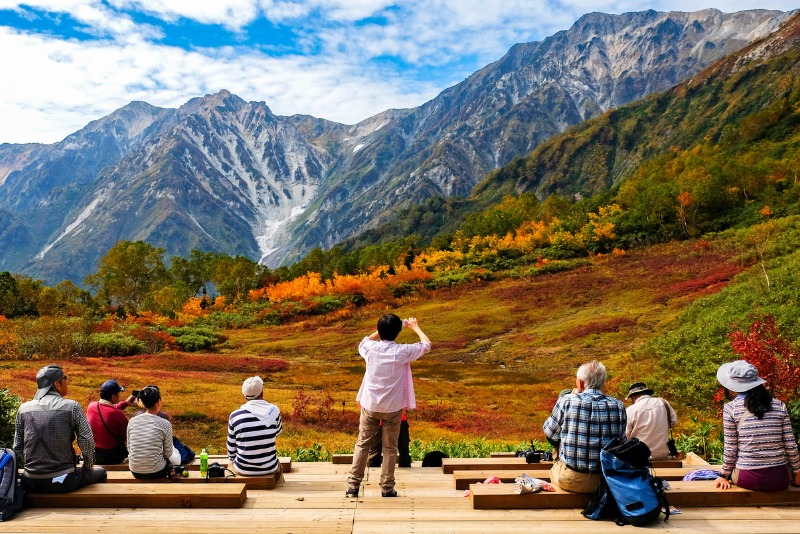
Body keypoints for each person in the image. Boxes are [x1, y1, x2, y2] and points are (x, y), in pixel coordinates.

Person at [346, 315, 431, 498]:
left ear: (380, 330)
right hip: (393, 408)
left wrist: (382, 329)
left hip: (370, 405)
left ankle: (353, 485)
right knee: (390, 448)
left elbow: (364, 341)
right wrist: (415, 327)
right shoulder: (402, 352)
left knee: (362, 444)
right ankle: (386, 488)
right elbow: (426, 345)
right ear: (397, 332)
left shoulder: (370, 349)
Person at [13, 364, 107, 493]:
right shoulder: (72, 406)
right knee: (101, 472)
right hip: (63, 480)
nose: (67, 382)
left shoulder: (23, 409)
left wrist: (35, 465)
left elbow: (18, 445)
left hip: (30, 481)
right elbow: (87, 440)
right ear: (57, 384)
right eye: (65, 378)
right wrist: (88, 466)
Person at [714, 361, 800, 492]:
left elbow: (731, 448)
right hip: (780, 479)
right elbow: (790, 444)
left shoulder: (731, 408)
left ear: (732, 385)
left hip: (748, 478)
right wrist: (797, 473)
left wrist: (724, 475)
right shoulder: (779, 405)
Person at [543, 360, 626, 493]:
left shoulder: (566, 401)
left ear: (581, 382)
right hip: (607, 480)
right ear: (603, 382)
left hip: (571, 481)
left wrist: (572, 396)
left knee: (556, 445)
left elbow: (549, 433)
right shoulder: (618, 405)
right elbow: (622, 442)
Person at [227, 376, 283, 475]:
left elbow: (231, 448)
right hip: (270, 467)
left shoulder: (235, 416)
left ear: (244, 395)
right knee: (279, 467)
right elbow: (277, 433)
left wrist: (233, 459)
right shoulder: (274, 411)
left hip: (243, 469)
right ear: (262, 392)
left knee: (230, 466)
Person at [126, 385, 182, 479]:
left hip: (135, 471)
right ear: (158, 401)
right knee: (174, 454)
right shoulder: (165, 423)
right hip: (157, 471)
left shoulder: (132, 421)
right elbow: (168, 454)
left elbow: (129, 448)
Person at [86, 379, 137, 465]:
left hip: (94, 455)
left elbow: (107, 410)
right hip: (111, 457)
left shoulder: (92, 406)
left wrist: (126, 403)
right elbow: (128, 437)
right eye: (118, 394)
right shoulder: (118, 414)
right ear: (113, 396)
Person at [625, 381, 678, 461]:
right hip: (662, 454)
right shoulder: (663, 403)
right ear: (646, 392)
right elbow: (674, 422)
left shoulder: (630, 410)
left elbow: (626, 435)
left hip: (640, 457)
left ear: (633, 396)